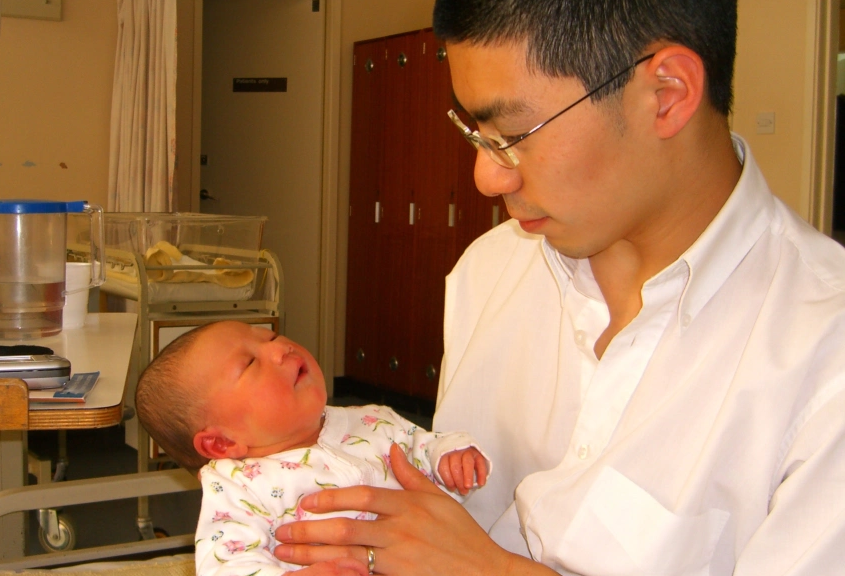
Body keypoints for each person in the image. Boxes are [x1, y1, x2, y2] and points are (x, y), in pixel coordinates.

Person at [270, 1, 845, 574]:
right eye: (474, 129)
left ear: (666, 93)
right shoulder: (489, 271)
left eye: (515, 132)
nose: (486, 176)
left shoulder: (823, 352)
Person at [134, 320, 491, 576]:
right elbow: (227, 563)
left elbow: (424, 446)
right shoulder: (236, 486)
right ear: (221, 442)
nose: (279, 347)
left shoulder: (372, 420)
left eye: (271, 335)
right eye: (250, 363)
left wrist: (451, 455)